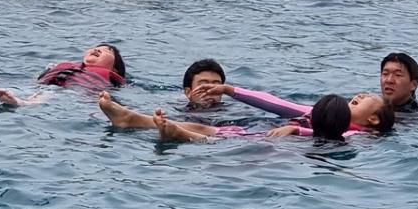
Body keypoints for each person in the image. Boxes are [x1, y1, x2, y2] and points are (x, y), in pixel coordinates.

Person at [151, 91, 394, 143]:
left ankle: (177, 134)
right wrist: (231, 90)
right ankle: (138, 119)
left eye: (365, 99)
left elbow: (340, 137)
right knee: (212, 129)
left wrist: (297, 130)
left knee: (224, 137)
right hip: (274, 132)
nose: (360, 95)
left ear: (373, 119)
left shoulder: (361, 135)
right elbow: (277, 104)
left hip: (282, 142)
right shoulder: (322, 112)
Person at [98, 59, 229, 128]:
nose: (211, 90)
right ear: (188, 92)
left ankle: (131, 119)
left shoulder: (230, 112)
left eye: (216, 85)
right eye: (203, 85)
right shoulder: (177, 108)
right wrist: (198, 105)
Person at [0, 44, 126, 106]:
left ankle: (23, 103)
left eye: (106, 50)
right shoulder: (63, 65)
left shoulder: (113, 79)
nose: (97, 49)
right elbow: (38, 79)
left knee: (48, 94)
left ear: (115, 70)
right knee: (2, 90)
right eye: (96, 47)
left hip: (78, 93)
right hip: (46, 87)